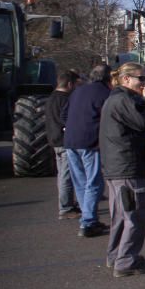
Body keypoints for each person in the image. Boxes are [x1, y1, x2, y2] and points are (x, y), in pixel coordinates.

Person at [100, 62, 145, 277]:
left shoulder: (119, 99)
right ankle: (125, 261)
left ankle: (116, 256)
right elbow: (143, 123)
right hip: (126, 167)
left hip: (119, 167)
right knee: (135, 216)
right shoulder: (122, 100)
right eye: (140, 79)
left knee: (122, 216)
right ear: (126, 79)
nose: (144, 83)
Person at [64, 63, 112, 238]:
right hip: (90, 142)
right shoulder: (105, 94)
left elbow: (64, 114)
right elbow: (110, 118)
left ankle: (88, 218)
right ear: (108, 78)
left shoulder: (78, 91)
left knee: (81, 183)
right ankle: (88, 222)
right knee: (94, 183)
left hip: (70, 141)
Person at [46, 70, 81, 220]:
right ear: (69, 84)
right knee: (67, 176)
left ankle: (66, 204)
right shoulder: (66, 100)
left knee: (62, 175)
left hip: (54, 140)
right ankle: (65, 208)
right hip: (65, 141)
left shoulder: (51, 98)